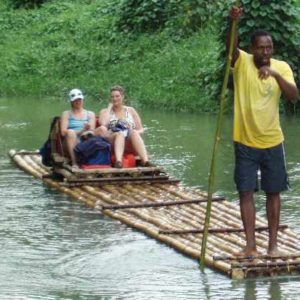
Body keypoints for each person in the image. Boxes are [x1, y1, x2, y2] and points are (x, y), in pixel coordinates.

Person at [228, 7, 298, 256]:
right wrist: (233, 22)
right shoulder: (243, 62)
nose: (265, 52)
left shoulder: (282, 68)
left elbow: (293, 97)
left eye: (269, 48)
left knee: (273, 192)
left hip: (272, 141)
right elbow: (231, 48)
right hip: (245, 141)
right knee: (246, 191)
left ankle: (273, 246)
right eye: (260, 48)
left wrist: (276, 74)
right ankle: (250, 245)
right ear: (252, 48)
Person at [95, 85, 151, 168]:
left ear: (122, 97)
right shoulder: (105, 111)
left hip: (129, 141)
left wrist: (132, 131)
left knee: (134, 132)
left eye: (117, 96)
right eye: (112, 97)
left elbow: (141, 129)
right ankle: (118, 161)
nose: (114, 99)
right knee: (119, 134)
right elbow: (103, 123)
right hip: (113, 140)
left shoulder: (130, 110)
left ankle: (146, 161)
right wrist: (109, 108)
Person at [60, 88, 96, 167]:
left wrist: (87, 129)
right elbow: (63, 132)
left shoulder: (90, 114)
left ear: (82, 100)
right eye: (75, 100)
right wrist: (80, 131)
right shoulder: (66, 114)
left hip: (84, 139)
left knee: (91, 133)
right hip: (70, 141)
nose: (78, 102)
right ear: (71, 101)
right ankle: (74, 162)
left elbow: (92, 130)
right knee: (70, 132)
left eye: (79, 100)